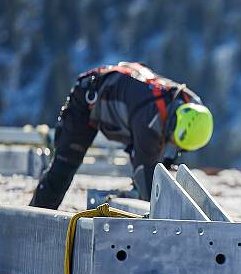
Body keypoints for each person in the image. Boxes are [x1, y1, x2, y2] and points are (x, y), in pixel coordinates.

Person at [29, 62, 213, 209]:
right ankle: (37, 216)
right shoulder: (149, 121)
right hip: (87, 98)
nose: (171, 143)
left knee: (157, 163)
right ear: (176, 122)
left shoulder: (190, 104)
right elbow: (146, 177)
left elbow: (161, 163)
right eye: (172, 139)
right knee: (64, 167)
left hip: (121, 90)